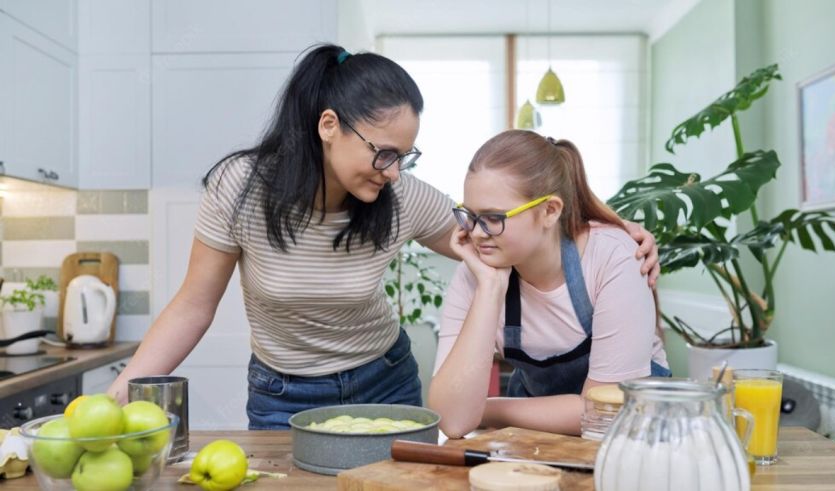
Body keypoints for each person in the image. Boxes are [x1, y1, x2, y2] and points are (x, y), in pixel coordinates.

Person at [108, 44, 660, 430]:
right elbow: (192, 307)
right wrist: (120, 393)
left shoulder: (400, 199)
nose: (394, 171)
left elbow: (509, 228)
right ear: (330, 127)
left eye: (405, 156)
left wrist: (612, 229)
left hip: (385, 381)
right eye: (385, 153)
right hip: (282, 392)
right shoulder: (240, 189)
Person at [429, 130, 670, 439]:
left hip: (631, 437)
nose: (476, 234)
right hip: (535, 440)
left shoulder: (612, 257)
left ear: (549, 211)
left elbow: (605, 415)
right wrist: (489, 288)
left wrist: (488, 410)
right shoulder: (476, 272)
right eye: (471, 216)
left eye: (493, 218)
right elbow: (452, 420)